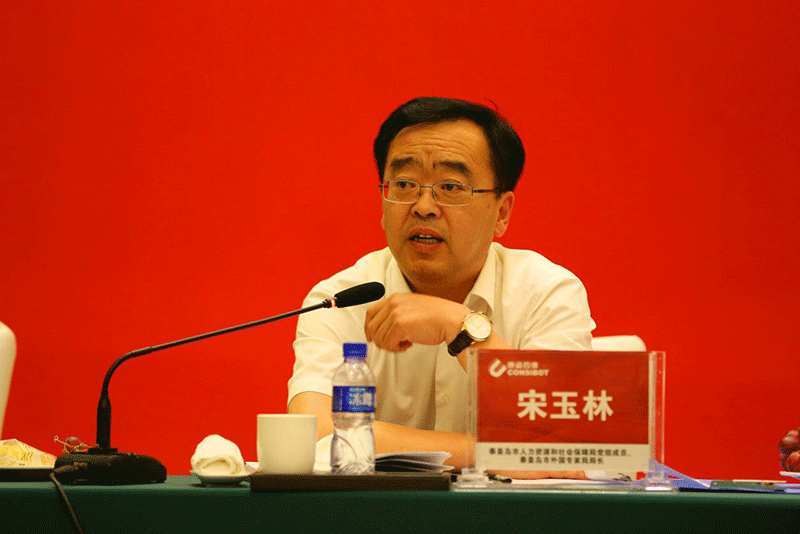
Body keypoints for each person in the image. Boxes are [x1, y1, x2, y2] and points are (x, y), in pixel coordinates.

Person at [287, 97, 595, 474]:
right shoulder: (340, 300)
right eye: (404, 184)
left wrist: (459, 325)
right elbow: (314, 435)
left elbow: (566, 444)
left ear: (501, 213)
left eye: (450, 186)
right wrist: (489, 451)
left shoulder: (546, 293)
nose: (423, 206)